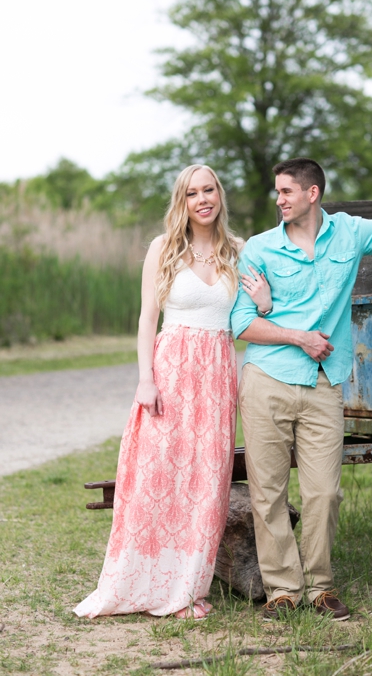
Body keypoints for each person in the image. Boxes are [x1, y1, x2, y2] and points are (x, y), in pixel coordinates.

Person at [230, 157, 372, 621]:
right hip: (268, 380)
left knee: (324, 493)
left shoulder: (350, 233)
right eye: (277, 192)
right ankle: (283, 591)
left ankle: (320, 587)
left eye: (287, 192)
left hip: (323, 385)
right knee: (268, 492)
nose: (279, 200)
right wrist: (298, 335)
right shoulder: (259, 249)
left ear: (311, 193)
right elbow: (240, 323)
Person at [76, 165, 271, 620]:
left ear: (219, 195)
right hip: (171, 370)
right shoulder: (162, 248)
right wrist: (146, 378)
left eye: (209, 190)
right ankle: (144, 581)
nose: (202, 199)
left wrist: (263, 302)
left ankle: (186, 589)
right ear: (181, 201)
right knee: (159, 478)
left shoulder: (238, 251)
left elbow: (251, 315)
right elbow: (147, 318)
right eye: (191, 193)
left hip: (219, 373)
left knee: (205, 483)